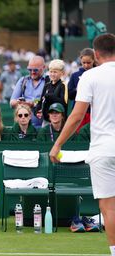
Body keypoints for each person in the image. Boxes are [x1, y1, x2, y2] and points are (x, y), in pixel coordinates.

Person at [49, 33, 115, 256]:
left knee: (108, 208)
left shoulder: (90, 76)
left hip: (103, 150)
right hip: (103, 150)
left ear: (95, 55)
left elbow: (77, 116)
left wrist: (57, 144)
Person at [10, 55, 47, 129]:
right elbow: (12, 103)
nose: (32, 72)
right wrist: (22, 103)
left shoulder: (48, 81)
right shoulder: (23, 81)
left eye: (36, 70)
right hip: (23, 128)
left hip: (43, 128)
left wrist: (34, 104)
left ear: (43, 68)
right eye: (30, 70)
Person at [68, 48, 95, 131]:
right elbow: (70, 95)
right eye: (84, 63)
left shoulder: (98, 74)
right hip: (79, 112)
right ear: (80, 60)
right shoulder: (75, 76)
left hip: (94, 112)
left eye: (89, 62)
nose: (86, 65)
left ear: (94, 60)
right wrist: (79, 89)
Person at [35, 59, 67, 126]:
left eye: (55, 72)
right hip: (46, 119)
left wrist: (49, 96)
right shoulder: (47, 85)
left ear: (62, 73)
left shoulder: (63, 85)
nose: (52, 74)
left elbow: (63, 102)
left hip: (58, 121)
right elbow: (40, 100)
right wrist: (37, 109)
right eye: (51, 72)